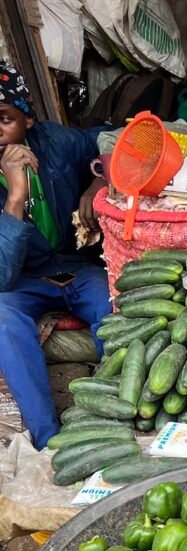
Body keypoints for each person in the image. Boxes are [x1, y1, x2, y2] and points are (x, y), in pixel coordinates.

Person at [0, 63, 110, 450]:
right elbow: (1, 274)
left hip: (74, 266)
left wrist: (98, 180)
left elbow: (110, 139)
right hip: (20, 279)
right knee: (3, 321)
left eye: (4, 119)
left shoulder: (54, 142)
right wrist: (14, 195)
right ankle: (49, 440)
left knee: (112, 306)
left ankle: (110, 418)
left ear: (28, 119)